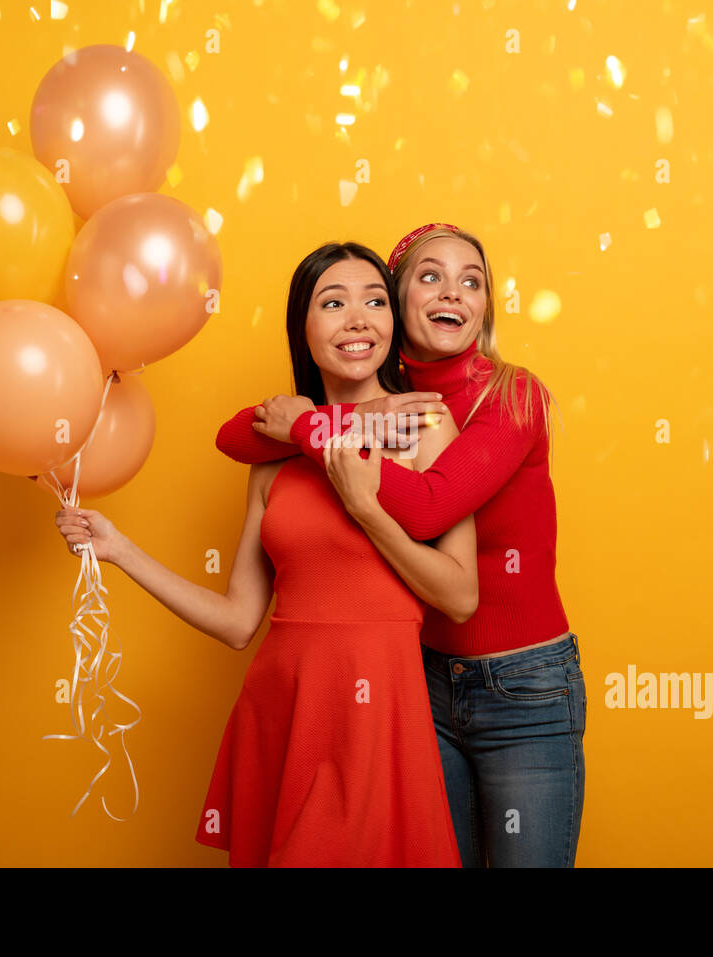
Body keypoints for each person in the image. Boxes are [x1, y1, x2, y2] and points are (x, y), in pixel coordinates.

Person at [55, 241, 474, 867]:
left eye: (375, 301)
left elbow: (460, 596)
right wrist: (119, 550)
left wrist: (366, 508)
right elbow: (236, 622)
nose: (358, 319)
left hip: (377, 711)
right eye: (333, 303)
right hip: (284, 709)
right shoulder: (272, 456)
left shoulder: (425, 427)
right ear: (303, 331)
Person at [213, 224, 585, 868]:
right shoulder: (378, 393)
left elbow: (433, 504)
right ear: (397, 299)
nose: (455, 293)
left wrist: (311, 426)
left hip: (523, 685)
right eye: (431, 276)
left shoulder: (513, 394)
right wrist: (355, 416)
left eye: (473, 282)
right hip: (420, 680)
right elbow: (236, 439)